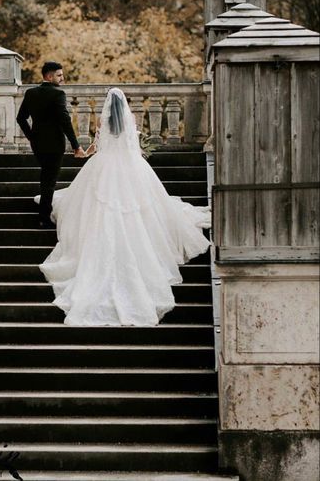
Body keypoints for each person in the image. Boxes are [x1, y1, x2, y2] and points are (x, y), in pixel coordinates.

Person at [36, 87, 211, 326]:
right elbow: (134, 147)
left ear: (108, 105)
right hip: (131, 166)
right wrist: (138, 157)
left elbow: (98, 144)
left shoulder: (102, 119)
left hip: (104, 166)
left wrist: (84, 152)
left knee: (95, 203)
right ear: (124, 105)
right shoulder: (130, 119)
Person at [16, 61, 86, 228]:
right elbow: (65, 121)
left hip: (38, 144)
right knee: (49, 181)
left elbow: (21, 118)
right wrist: (76, 146)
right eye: (59, 75)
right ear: (49, 76)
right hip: (54, 144)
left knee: (46, 178)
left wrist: (32, 137)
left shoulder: (31, 93)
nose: (62, 78)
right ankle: (44, 218)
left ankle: (44, 215)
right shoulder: (58, 94)